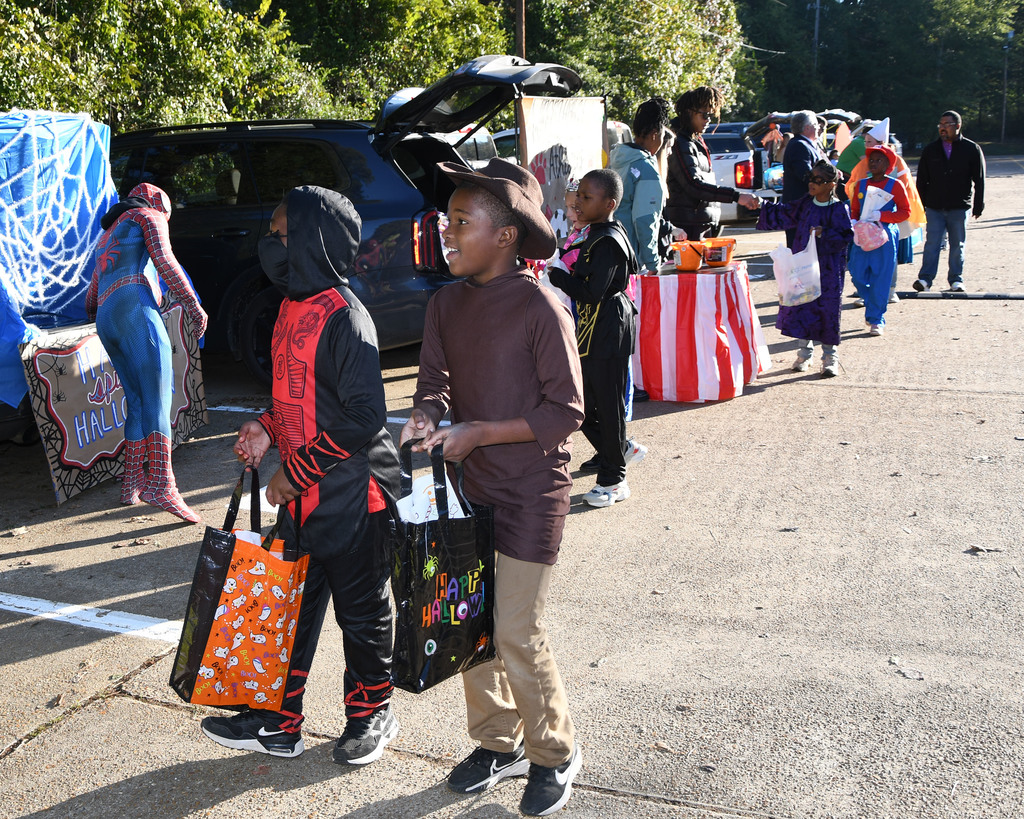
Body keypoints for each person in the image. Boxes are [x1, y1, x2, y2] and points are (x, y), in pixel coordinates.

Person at [400, 157, 584, 817]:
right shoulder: (445, 302)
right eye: (445, 220)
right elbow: (433, 385)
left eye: (460, 222)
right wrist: (427, 416)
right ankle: (497, 741)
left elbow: (566, 412)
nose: (445, 232)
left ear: (505, 235)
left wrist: (480, 430)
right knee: (471, 625)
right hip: (468, 489)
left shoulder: (539, 304)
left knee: (515, 628)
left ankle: (555, 750)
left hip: (534, 490)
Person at [200, 186, 402, 766]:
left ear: (315, 240)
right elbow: (299, 393)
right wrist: (266, 426)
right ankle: (277, 719)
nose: (273, 243)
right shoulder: (290, 305)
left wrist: (297, 471)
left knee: (361, 614)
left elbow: (365, 415)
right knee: (288, 607)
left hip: (352, 494)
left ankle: (371, 715)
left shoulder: (348, 319)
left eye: (285, 234)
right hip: (302, 498)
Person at [86, 183, 208, 523]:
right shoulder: (148, 214)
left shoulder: (106, 236)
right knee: (158, 397)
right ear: (160, 204)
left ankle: (131, 484)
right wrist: (194, 306)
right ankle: (161, 484)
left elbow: (90, 299)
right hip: (134, 305)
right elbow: (166, 262)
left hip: (107, 317)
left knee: (138, 401)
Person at [548, 169, 641, 505]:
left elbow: (591, 292)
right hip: (592, 332)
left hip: (609, 331)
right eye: (580, 195)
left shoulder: (608, 241)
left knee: (608, 405)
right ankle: (617, 449)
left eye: (588, 197)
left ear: (609, 203)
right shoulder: (594, 233)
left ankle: (614, 479)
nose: (580, 202)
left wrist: (557, 276)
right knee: (582, 404)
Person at [757, 160, 852, 377]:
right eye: (811, 178)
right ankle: (804, 354)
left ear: (831, 184)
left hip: (828, 270)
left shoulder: (838, 208)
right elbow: (783, 212)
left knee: (827, 310)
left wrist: (823, 234)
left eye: (819, 180)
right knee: (803, 305)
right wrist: (761, 204)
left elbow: (846, 236)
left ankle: (830, 357)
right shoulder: (805, 204)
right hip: (803, 267)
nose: (812, 183)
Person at [842, 119, 926, 303]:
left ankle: (889, 289)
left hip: (888, 218)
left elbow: (903, 190)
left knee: (888, 256)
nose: (866, 146)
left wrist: (885, 212)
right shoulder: (865, 163)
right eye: (866, 143)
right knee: (864, 254)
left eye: (870, 143)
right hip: (866, 218)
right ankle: (867, 292)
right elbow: (853, 187)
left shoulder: (897, 162)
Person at [664, 86, 759, 241]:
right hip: (686, 227)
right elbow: (693, 184)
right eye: (704, 115)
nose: (708, 120)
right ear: (689, 112)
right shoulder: (680, 142)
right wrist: (736, 196)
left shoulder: (695, 140)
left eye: (710, 115)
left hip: (699, 223)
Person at [913, 110, 986, 292]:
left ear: (958, 126)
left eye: (947, 124)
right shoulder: (931, 150)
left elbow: (979, 179)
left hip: (959, 206)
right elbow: (921, 179)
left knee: (957, 245)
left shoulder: (971, 149)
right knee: (932, 244)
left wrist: (978, 205)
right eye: (941, 124)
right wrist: (919, 205)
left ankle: (956, 279)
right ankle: (925, 279)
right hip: (934, 206)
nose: (943, 128)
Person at [848, 146, 911, 336]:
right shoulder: (860, 185)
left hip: (884, 236)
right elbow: (855, 209)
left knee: (881, 278)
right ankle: (872, 305)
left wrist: (882, 215)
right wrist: (853, 220)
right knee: (857, 273)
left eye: (879, 160)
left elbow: (904, 212)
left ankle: (876, 318)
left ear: (888, 165)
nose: (874, 163)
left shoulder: (895, 186)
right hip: (862, 235)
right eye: (872, 160)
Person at [608, 98, 671, 276]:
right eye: (662, 135)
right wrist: (652, 262)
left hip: (612, 249)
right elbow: (644, 220)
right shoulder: (645, 169)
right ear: (654, 134)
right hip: (632, 258)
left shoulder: (618, 160)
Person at [782, 110, 826, 247]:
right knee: (800, 252)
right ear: (807, 127)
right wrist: (826, 181)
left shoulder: (805, 144)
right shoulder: (799, 145)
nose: (818, 128)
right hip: (799, 209)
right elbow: (805, 174)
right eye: (815, 125)